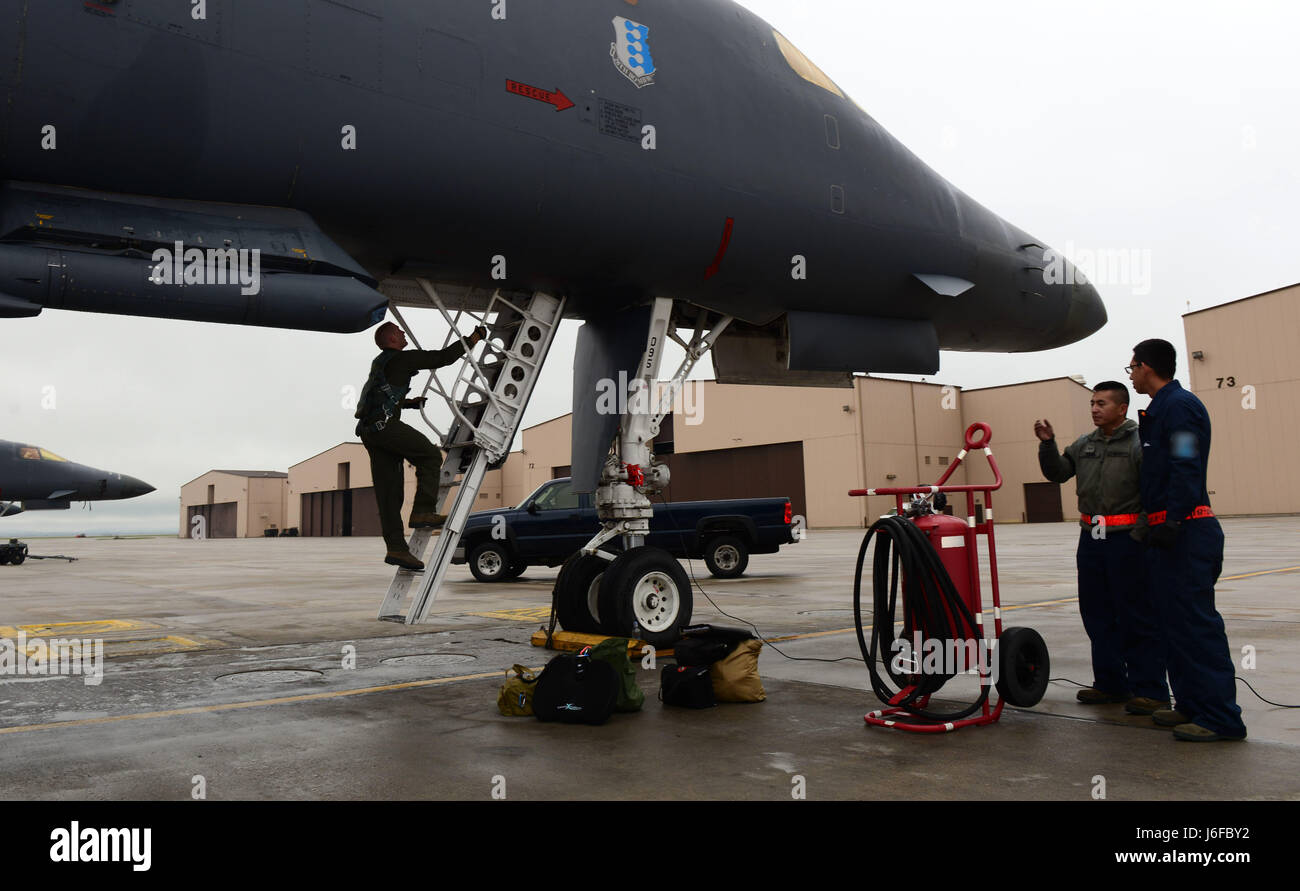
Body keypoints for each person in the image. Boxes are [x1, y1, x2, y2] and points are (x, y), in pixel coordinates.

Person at [1128, 338, 1246, 741]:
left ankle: (1221, 717)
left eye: (1132, 367)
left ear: (1146, 367)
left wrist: (1173, 522)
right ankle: (1192, 705)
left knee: (1196, 626)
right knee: (1174, 625)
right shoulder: (1161, 409)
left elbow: (1185, 463)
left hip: (1187, 531)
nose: (1131, 374)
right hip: (1169, 531)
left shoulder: (1179, 407)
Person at [1035, 382, 1168, 715]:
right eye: (1092, 403)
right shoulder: (1085, 444)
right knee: (1097, 613)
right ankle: (1110, 683)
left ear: (1122, 408)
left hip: (1127, 540)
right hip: (1091, 539)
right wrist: (1048, 445)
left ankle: (1150, 689)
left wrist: (1139, 534)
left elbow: (1153, 492)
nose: (1094, 409)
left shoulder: (1139, 443)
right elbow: (1059, 473)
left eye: (1102, 403)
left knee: (1135, 614)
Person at [356, 321, 487, 571]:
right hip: (385, 427)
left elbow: (379, 397)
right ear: (392, 340)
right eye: (400, 332)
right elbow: (442, 358)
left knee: (389, 493)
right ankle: (423, 512)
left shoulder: (380, 363)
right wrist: (473, 339)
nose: (404, 334)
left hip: (370, 431)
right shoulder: (402, 359)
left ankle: (396, 548)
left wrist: (407, 403)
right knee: (429, 455)